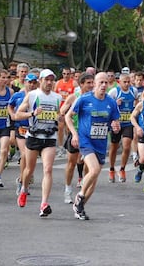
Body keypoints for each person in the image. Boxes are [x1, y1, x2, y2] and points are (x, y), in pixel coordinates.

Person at [65, 72, 120, 220]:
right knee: (94, 170)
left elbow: (115, 121)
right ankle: (80, 195)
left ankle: (80, 207)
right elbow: (67, 116)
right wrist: (75, 134)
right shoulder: (84, 99)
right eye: (100, 82)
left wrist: (115, 126)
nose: (103, 85)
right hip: (85, 140)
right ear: (94, 84)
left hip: (101, 142)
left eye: (105, 83)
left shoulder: (111, 102)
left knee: (93, 182)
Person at [15, 69, 62, 217]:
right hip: (34, 136)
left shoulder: (57, 97)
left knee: (47, 169)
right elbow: (17, 115)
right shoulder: (32, 95)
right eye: (46, 80)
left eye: (51, 80)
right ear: (40, 80)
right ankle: (23, 189)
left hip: (49, 137)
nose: (49, 83)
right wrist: (33, 113)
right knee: (29, 169)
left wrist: (60, 118)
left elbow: (59, 115)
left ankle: (44, 204)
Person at [60, 72, 94, 203]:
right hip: (76, 134)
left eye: (92, 83)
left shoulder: (95, 97)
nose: (91, 86)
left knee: (88, 164)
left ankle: (82, 191)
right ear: (81, 84)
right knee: (71, 163)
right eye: (88, 83)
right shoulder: (74, 97)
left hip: (89, 135)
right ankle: (67, 190)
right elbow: (63, 112)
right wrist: (65, 113)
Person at [8, 73, 39, 195]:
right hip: (20, 128)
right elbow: (10, 106)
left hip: (34, 129)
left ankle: (24, 178)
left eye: (33, 83)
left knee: (31, 158)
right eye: (29, 82)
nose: (31, 85)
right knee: (24, 155)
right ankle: (22, 182)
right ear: (25, 82)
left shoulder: (39, 96)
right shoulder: (18, 95)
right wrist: (12, 115)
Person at [108, 73, 138, 183]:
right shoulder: (114, 92)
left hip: (127, 123)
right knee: (114, 147)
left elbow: (136, 103)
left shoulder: (133, 91)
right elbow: (107, 105)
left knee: (126, 146)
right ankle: (111, 169)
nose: (126, 84)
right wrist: (115, 104)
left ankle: (122, 169)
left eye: (128, 82)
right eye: (124, 82)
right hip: (116, 123)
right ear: (119, 82)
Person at [54, 67, 75, 157]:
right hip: (60, 108)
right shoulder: (58, 83)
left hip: (69, 109)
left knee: (68, 128)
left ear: (70, 74)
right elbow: (54, 95)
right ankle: (60, 147)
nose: (66, 75)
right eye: (64, 74)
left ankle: (68, 144)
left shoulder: (74, 83)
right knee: (60, 127)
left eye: (68, 74)